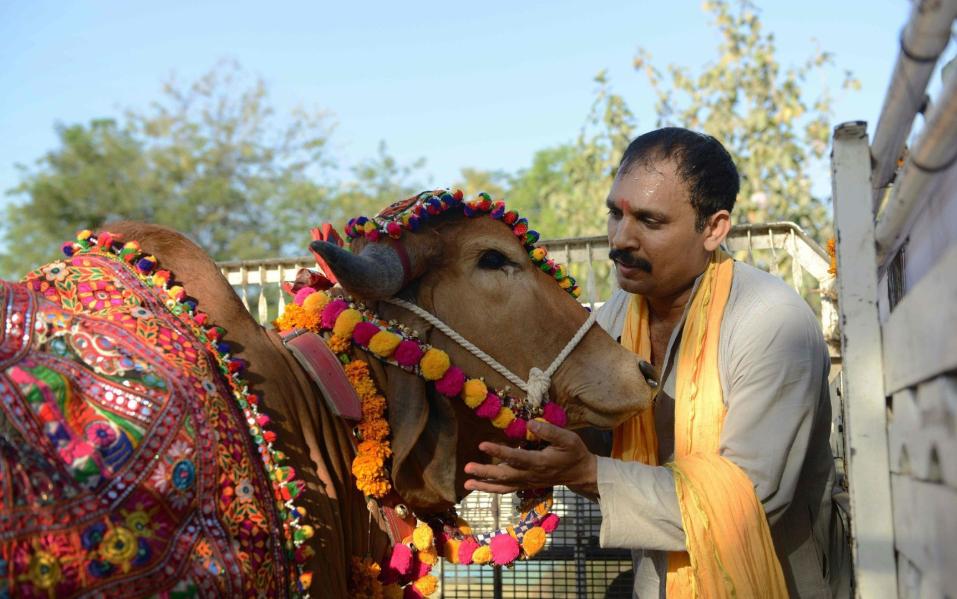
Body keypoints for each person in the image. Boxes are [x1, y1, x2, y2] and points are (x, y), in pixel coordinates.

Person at [464, 127, 849, 597]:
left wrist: (585, 472)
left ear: (713, 229)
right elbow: (586, 424)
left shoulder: (771, 322)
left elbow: (752, 499)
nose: (621, 239)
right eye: (615, 213)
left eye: (650, 221)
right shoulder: (617, 317)